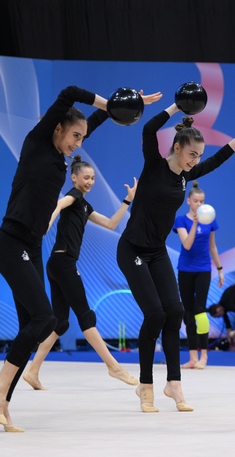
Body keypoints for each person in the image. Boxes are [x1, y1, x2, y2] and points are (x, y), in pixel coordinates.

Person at [0, 86, 162, 431]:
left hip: (33, 246)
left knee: (35, 326)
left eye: (82, 137)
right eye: (75, 136)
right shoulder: (37, 143)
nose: (79, 143)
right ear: (57, 128)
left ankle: (3, 402)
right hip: (10, 242)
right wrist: (110, 103)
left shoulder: (61, 157)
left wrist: (126, 107)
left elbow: (95, 121)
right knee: (44, 318)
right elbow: (68, 94)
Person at [117, 101, 235, 413]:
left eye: (199, 156)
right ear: (177, 147)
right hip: (132, 249)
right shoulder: (154, 164)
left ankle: (174, 383)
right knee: (155, 314)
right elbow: (148, 128)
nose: (196, 161)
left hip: (156, 251)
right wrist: (175, 107)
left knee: (176, 311)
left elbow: (219, 158)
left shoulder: (185, 175)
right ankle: (145, 385)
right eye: (192, 154)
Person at [22, 156, 139, 390]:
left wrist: (127, 200)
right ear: (74, 178)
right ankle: (113, 366)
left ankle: (33, 371)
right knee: (85, 317)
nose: (90, 182)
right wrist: (46, 224)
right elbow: (59, 204)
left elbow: (110, 224)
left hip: (57, 263)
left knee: (60, 322)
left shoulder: (84, 205)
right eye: (86, 177)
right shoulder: (74, 195)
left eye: (93, 178)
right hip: (64, 263)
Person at [174, 181, 224, 369]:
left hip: (203, 269)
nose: (199, 204)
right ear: (189, 201)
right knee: (187, 312)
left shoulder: (210, 220)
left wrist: (220, 269)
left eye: (202, 201)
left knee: (200, 310)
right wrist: (195, 223)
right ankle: (193, 358)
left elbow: (212, 247)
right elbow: (187, 244)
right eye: (196, 201)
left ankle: (204, 356)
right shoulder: (181, 220)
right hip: (185, 269)